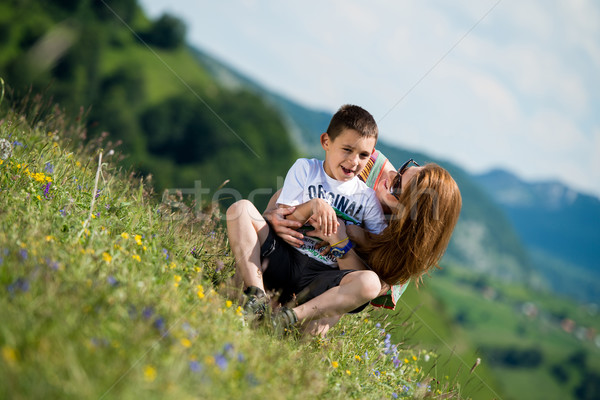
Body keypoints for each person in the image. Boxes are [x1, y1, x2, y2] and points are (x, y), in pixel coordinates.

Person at [227, 104, 388, 328]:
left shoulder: (368, 200)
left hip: (322, 276)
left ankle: (288, 319)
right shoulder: (306, 169)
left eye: (363, 155)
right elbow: (282, 221)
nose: (354, 161)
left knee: (371, 283)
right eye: (347, 149)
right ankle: (257, 297)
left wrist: (340, 241)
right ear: (326, 142)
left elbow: (371, 260)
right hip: (285, 256)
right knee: (240, 209)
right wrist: (313, 206)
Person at [265, 150, 411, 310]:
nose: (391, 174)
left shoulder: (405, 245)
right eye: (402, 170)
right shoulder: (367, 160)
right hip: (294, 253)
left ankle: (294, 315)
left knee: (311, 329)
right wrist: (273, 217)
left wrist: (346, 240)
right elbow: (293, 192)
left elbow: (375, 287)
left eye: (397, 184)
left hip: (332, 272)